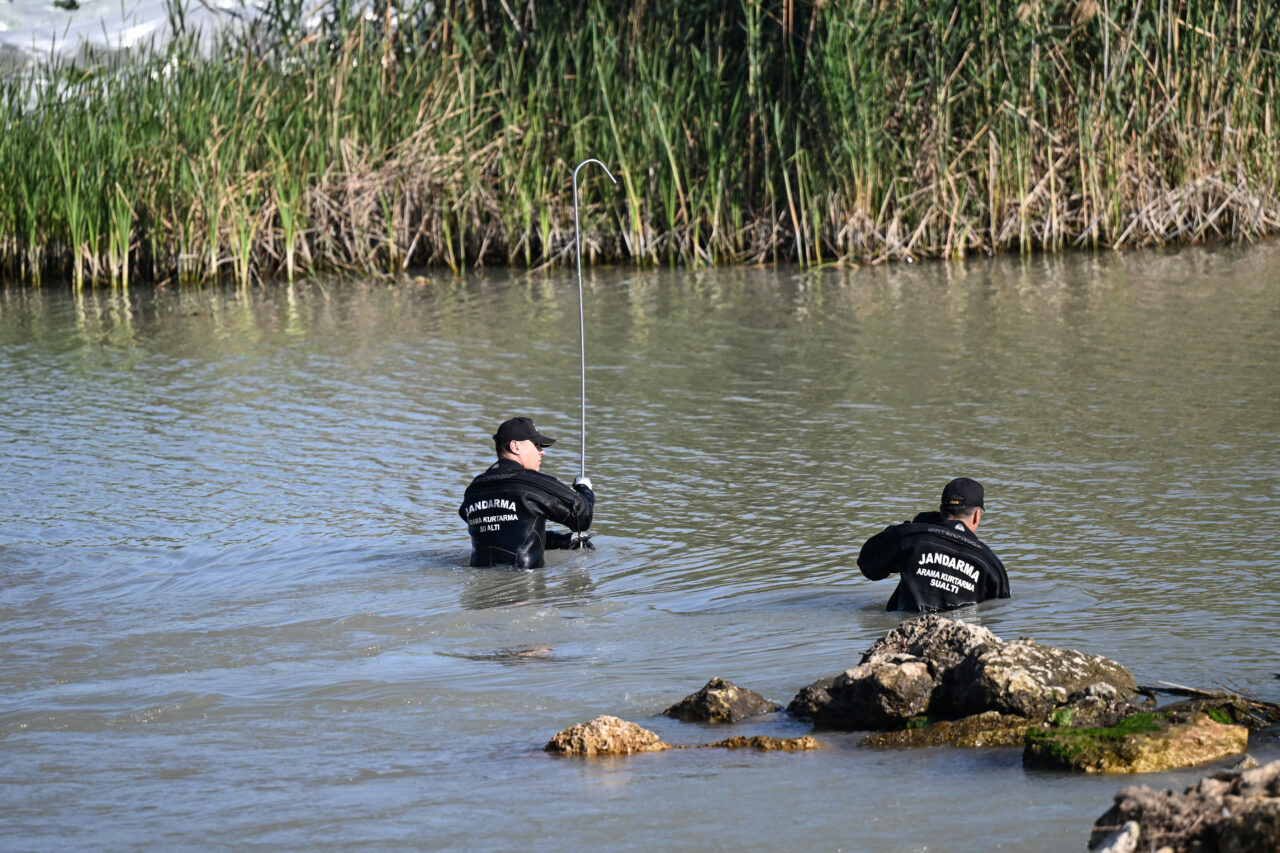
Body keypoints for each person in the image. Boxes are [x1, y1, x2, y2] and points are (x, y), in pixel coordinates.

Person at [458, 416, 595, 568]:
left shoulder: (473, 489)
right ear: (515, 446)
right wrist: (584, 489)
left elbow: (506, 534)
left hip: (480, 581)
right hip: (526, 581)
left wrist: (560, 541)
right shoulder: (532, 483)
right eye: (537, 445)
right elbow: (582, 518)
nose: (542, 452)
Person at [857, 477, 1010, 612]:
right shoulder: (990, 562)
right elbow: (998, 608)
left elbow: (869, 568)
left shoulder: (908, 536)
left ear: (941, 510)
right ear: (977, 516)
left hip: (905, 627)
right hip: (957, 630)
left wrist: (909, 530)